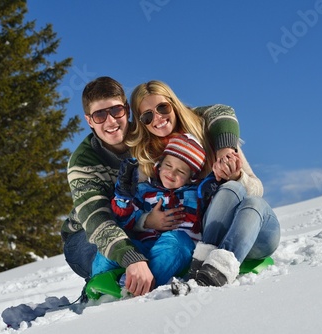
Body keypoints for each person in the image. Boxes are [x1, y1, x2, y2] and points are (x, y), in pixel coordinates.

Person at [61, 76, 243, 297]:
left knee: (176, 245)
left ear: (126, 110)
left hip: (139, 226)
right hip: (86, 233)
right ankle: (102, 289)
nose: (110, 122)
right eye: (100, 115)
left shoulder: (146, 128)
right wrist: (133, 255)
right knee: (106, 253)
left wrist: (225, 150)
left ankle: (143, 281)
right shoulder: (84, 161)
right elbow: (98, 222)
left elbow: (218, 112)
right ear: (89, 120)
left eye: (116, 111)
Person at [127, 80, 281, 287]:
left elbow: (256, 188)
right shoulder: (147, 159)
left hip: (250, 232)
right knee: (234, 191)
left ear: (174, 104)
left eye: (162, 107)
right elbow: (132, 206)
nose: (158, 118)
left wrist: (236, 176)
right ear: (141, 122)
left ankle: (210, 262)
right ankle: (212, 271)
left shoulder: (211, 136)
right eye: (147, 116)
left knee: (242, 195)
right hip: (204, 233)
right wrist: (147, 221)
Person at [92, 133, 206, 288]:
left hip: (175, 253)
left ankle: (141, 286)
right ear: (159, 165)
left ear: (190, 177)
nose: (171, 173)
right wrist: (123, 197)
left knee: (178, 242)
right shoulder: (145, 190)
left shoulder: (196, 194)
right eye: (168, 165)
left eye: (181, 172)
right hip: (144, 249)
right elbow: (126, 220)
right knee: (112, 247)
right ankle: (96, 284)